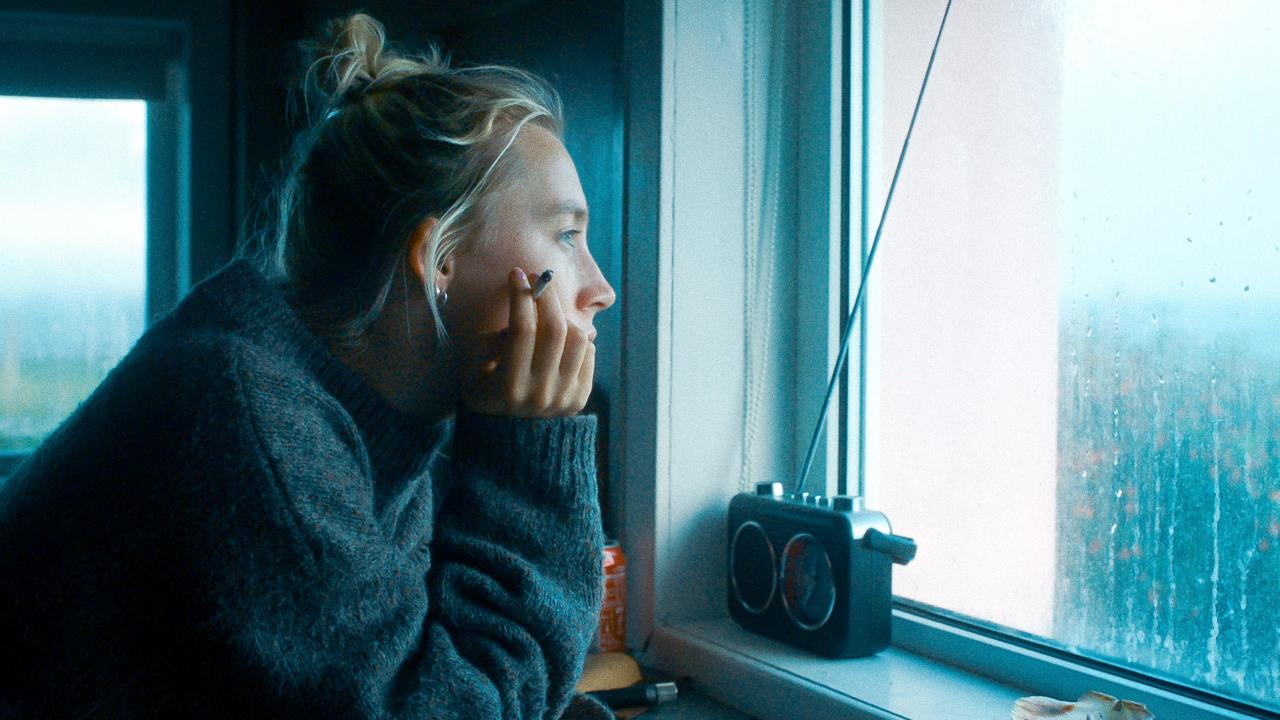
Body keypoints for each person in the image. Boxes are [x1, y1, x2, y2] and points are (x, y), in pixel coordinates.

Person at [0, 13, 617, 720]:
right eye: (566, 235)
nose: (600, 287)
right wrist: (531, 464)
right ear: (438, 259)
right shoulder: (245, 419)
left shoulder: (359, 419)